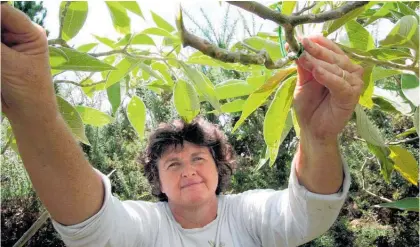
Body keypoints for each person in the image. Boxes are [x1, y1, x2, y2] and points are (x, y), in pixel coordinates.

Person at [1, 4, 364, 247]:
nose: (187, 170)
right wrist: (31, 104)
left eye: (198, 159)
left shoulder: (248, 214)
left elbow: (306, 216)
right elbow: (91, 228)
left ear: (220, 169)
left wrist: (318, 137)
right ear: (157, 181)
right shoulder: (147, 226)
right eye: (172, 163)